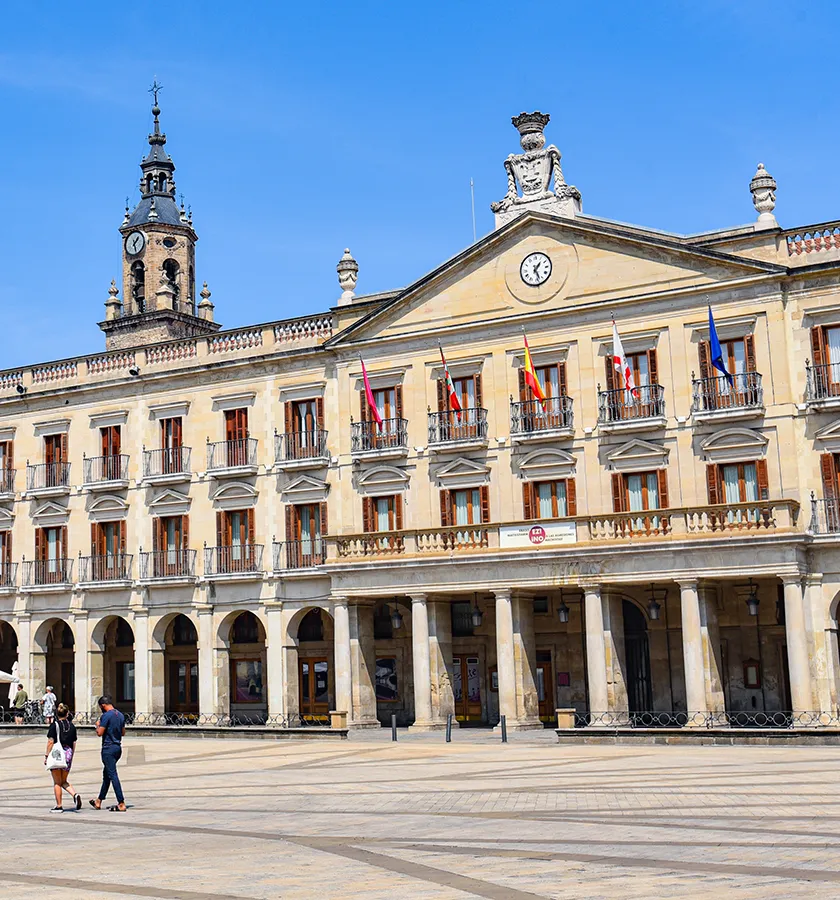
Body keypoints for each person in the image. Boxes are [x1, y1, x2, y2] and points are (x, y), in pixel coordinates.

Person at [89, 695, 126, 812]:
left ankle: (121, 802)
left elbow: (100, 732)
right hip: (117, 748)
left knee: (113, 775)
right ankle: (98, 801)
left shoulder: (106, 716)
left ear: (103, 706)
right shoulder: (120, 715)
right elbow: (123, 732)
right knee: (107, 776)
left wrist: (97, 725)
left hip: (108, 749)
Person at [44, 703, 81, 812]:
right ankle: (75, 795)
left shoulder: (54, 726)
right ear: (67, 713)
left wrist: (46, 755)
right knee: (63, 780)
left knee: (57, 782)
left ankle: (59, 806)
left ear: (56, 714)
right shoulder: (72, 726)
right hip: (68, 754)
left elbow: (50, 742)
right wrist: (71, 755)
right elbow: (74, 743)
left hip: (57, 755)